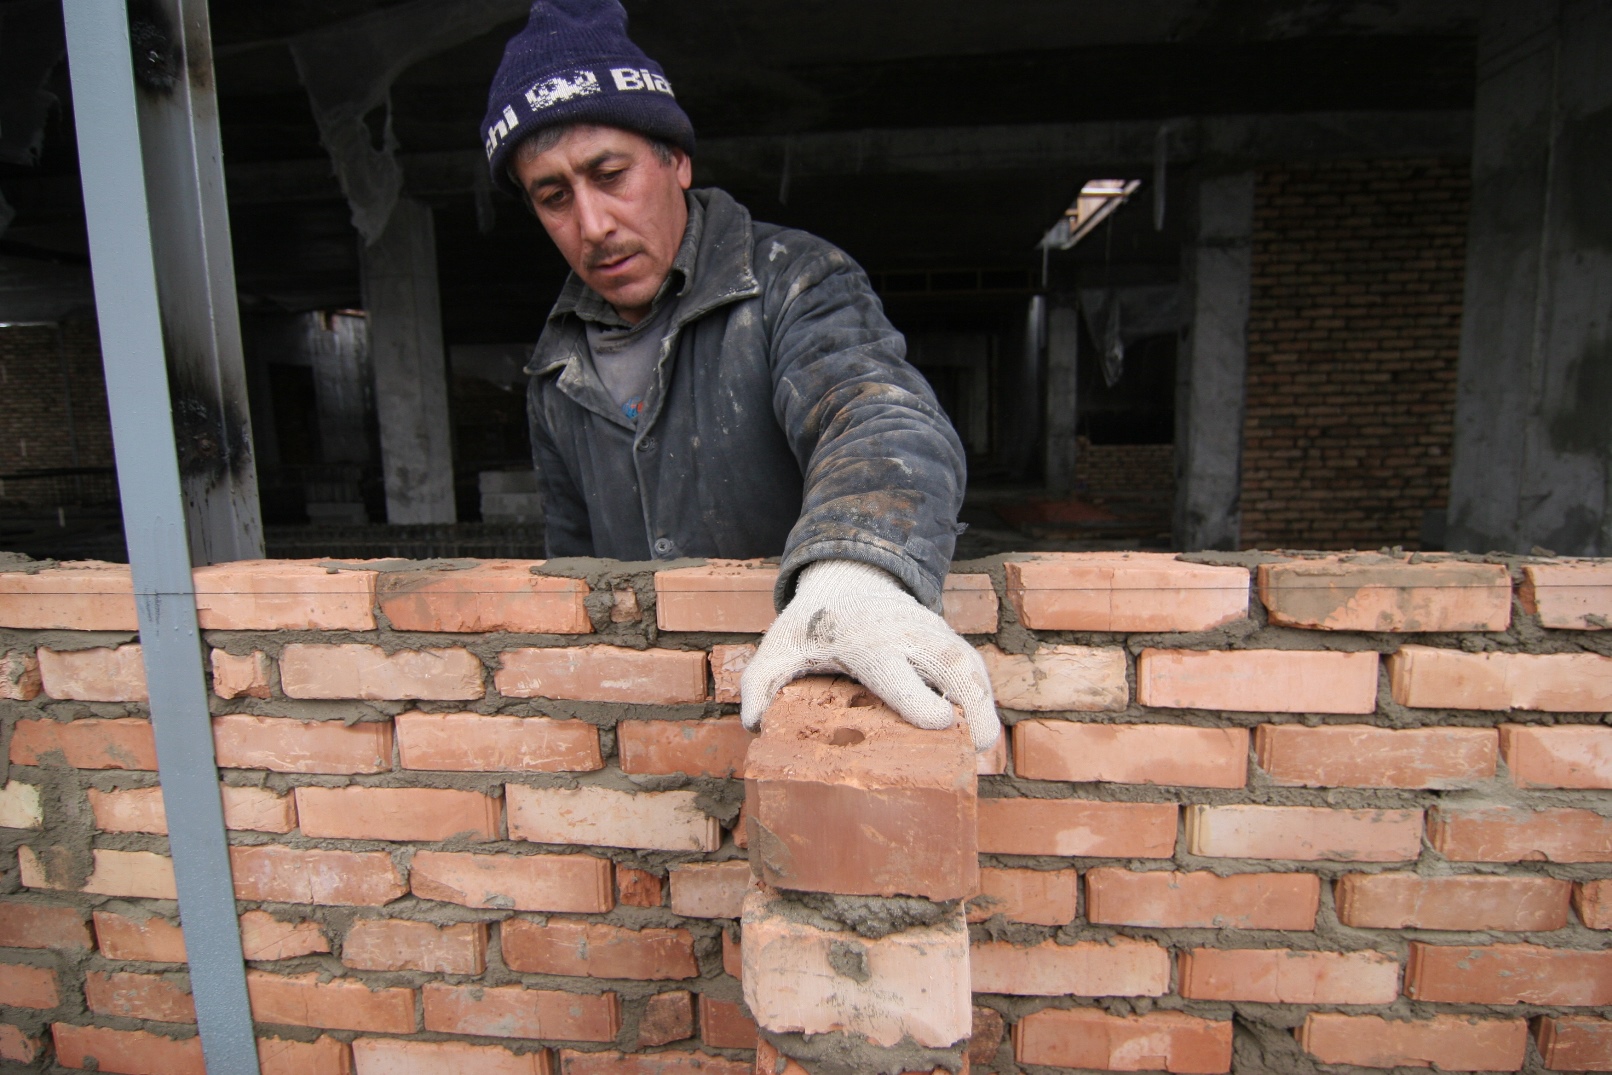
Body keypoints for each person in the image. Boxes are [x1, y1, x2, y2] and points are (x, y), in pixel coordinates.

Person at [481, 0, 998, 750]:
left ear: (675, 160)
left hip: (815, 704)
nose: (592, 225)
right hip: (663, 732)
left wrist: (852, 573)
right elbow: (577, 572)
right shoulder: (556, 368)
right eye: (554, 198)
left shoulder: (792, 281)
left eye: (611, 175)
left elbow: (879, 414)